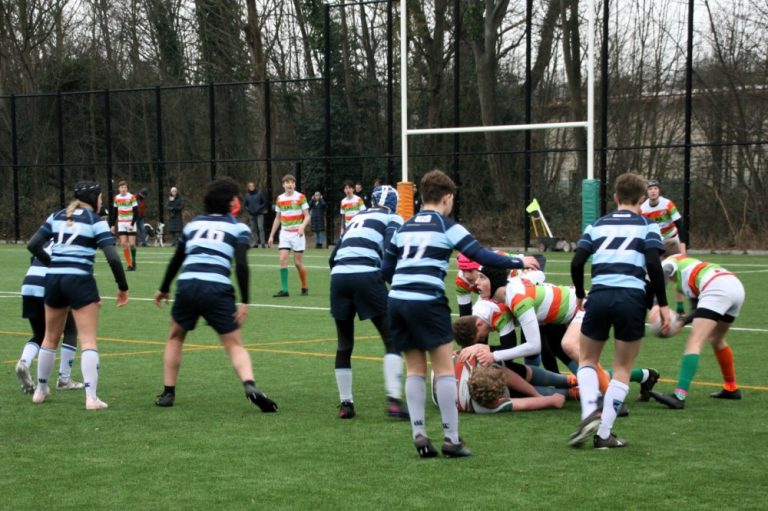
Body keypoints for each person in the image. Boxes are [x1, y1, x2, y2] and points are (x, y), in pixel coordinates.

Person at [381, 169, 540, 458]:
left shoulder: (403, 227)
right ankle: (451, 439)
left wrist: (405, 286)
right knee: (443, 369)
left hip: (398, 301)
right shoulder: (447, 225)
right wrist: (519, 260)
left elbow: (385, 269)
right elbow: (480, 255)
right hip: (428, 301)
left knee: (415, 369)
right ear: (447, 198)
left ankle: (419, 433)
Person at [153, 178, 278, 412]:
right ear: (230, 202)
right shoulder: (238, 228)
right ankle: (249, 385)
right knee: (234, 344)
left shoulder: (193, 225)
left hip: (188, 285)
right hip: (217, 288)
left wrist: (164, 287)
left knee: (175, 337)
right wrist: (245, 300)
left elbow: (177, 258)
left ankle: (168, 393)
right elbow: (241, 264)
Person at [568, 172, 670, 449]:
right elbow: (653, 264)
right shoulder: (648, 226)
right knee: (622, 368)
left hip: (599, 295)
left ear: (615, 197)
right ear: (642, 199)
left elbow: (577, 263)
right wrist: (662, 304)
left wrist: (580, 294)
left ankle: (589, 409)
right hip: (631, 298)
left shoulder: (596, 225)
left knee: (587, 360)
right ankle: (604, 434)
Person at [27, 180, 129, 410]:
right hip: (80, 280)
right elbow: (113, 257)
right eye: (100, 197)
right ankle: (91, 398)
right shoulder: (95, 221)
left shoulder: (56, 216)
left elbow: (33, 245)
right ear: (94, 198)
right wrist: (122, 287)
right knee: (88, 339)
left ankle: (40, 390)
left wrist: (53, 263)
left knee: (49, 338)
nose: (102, 201)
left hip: (54, 280)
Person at [329, 185, 407, 419]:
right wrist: (392, 283)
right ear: (394, 203)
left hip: (338, 277)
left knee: (344, 344)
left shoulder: (356, 217)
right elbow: (391, 249)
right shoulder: (393, 217)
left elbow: (333, 257)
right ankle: (394, 402)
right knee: (392, 338)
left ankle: (346, 404)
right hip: (366, 275)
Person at [649, 255, 745, 409]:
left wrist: (656, 304)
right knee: (717, 339)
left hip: (717, 287)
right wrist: (681, 322)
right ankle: (731, 388)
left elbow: (663, 273)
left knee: (694, 342)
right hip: (735, 286)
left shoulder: (670, 260)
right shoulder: (692, 271)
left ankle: (679, 397)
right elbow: (697, 310)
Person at [15, 239, 84, 394]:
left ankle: (24, 362)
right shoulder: (75, 240)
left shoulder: (49, 237)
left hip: (29, 284)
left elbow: (33, 257)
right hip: (50, 283)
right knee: (71, 329)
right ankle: (64, 379)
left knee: (39, 334)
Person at [641, 179, 688, 314]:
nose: (653, 191)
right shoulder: (643, 208)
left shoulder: (667, 204)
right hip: (656, 243)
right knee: (655, 274)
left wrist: (683, 249)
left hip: (672, 241)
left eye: (655, 188)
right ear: (647, 192)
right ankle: (654, 305)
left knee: (679, 274)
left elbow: (680, 225)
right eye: (650, 189)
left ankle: (680, 308)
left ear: (659, 191)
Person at [268, 174, 310, 297]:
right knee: (282, 259)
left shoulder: (301, 197)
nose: (290, 184)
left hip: (298, 234)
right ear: (283, 185)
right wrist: (271, 235)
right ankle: (285, 290)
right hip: (285, 233)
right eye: (287, 182)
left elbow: (307, 216)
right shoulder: (279, 199)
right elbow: (277, 218)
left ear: (295, 185)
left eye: (292, 182)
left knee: (297, 263)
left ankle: (304, 286)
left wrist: (302, 226)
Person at [112, 179, 138, 270]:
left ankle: (134, 261)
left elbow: (136, 212)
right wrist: (113, 225)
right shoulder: (116, 198)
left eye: (125, 187)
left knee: (132, 244)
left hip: (130, 223)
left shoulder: (132, 197)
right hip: (121, 223)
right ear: (119, 189)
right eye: (122, 187)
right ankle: (129, 264)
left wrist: (132, 224)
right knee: (123, 243)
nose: (124, 189)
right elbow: (115, 213)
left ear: (127, 188)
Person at [244, 181, 268, 248]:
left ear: (254, 187)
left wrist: (259, 208)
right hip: (251, 214)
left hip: (259, 213)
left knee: (260, 228)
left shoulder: (259, 193)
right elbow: (245, 205)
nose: (251, 187)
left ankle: (263, 243)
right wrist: (249, 210)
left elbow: (264, 202)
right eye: (250, 186)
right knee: (253, 229)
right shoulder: (247, 195)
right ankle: (255, 243)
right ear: (248, 187)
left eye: (252, 186)